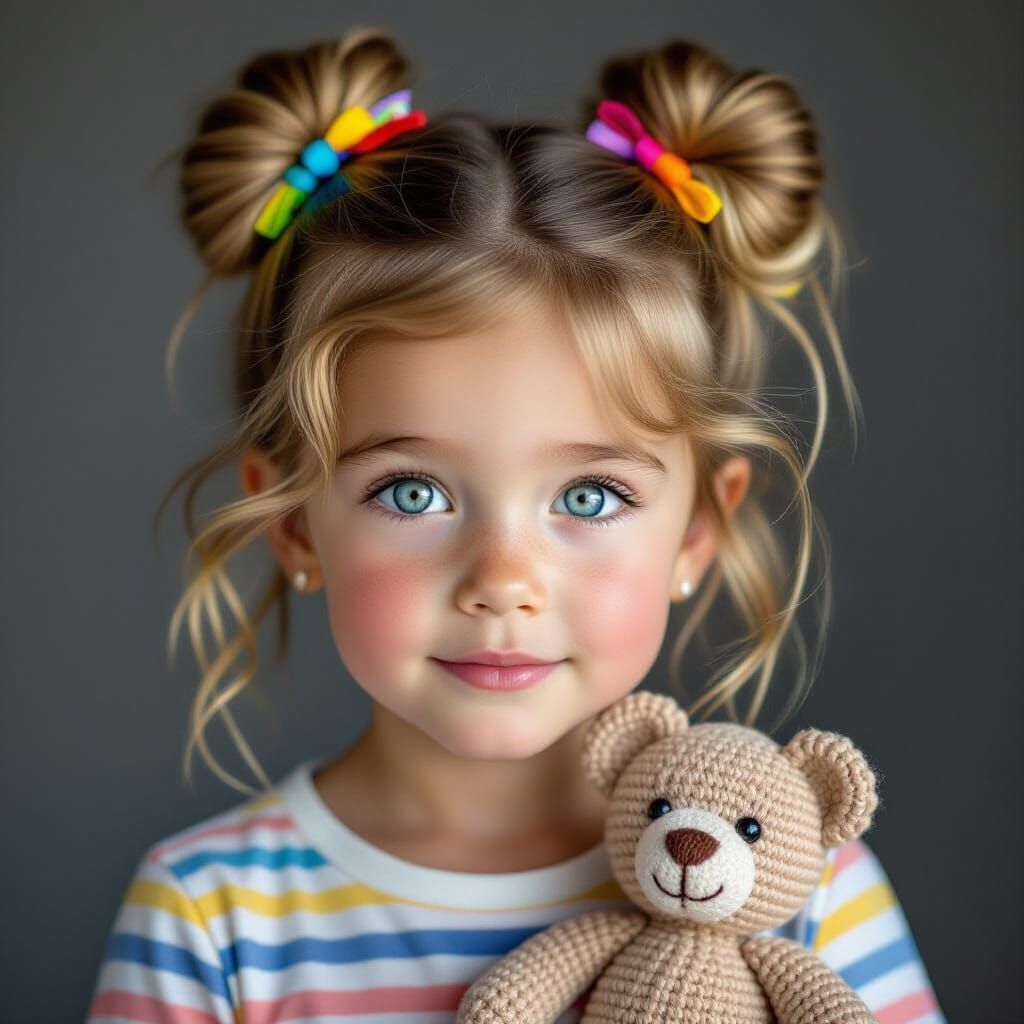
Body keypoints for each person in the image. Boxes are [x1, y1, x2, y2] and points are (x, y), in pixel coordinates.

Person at [86, 26, 945, 1024]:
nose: (502, 577)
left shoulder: (802, 891)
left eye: (588, 497)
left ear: (698, 532)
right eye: (413, 492)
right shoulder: (212, 918)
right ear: (295, 528)